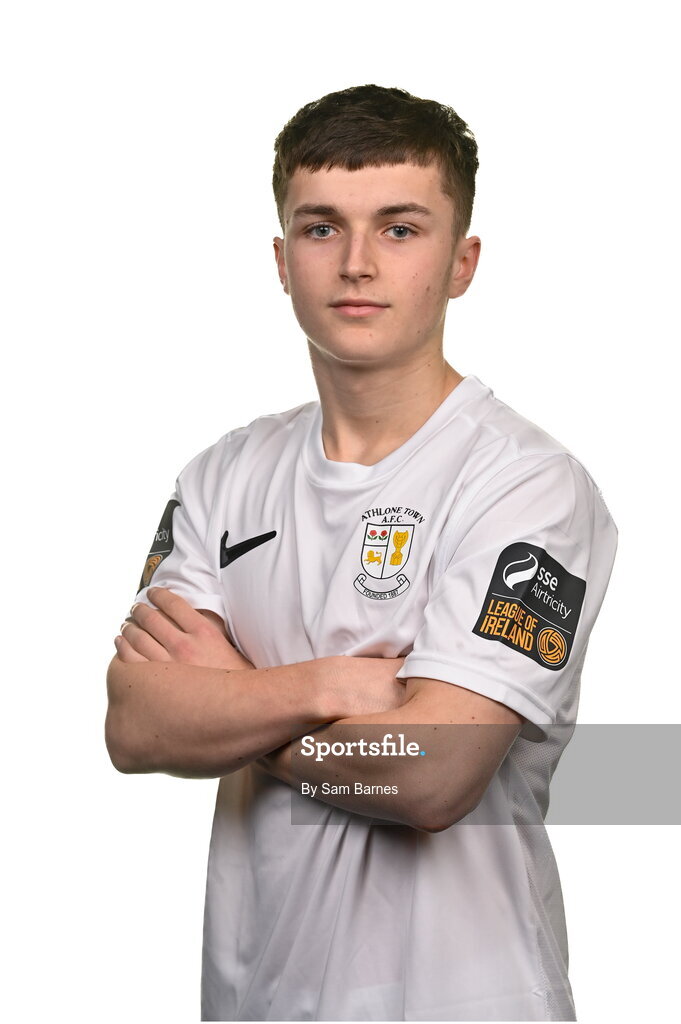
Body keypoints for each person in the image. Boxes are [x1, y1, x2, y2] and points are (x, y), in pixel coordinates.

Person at [105, 84, 618, 1021]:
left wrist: (229, 700)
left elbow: (428, 773)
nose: (354, 264)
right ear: (279, 259)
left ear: (461, 262)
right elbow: (136, 728)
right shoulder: (222, 475)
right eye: (319, 228)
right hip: (257, 998)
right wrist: (324, 688)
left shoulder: (525, 485)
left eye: (398, 228)